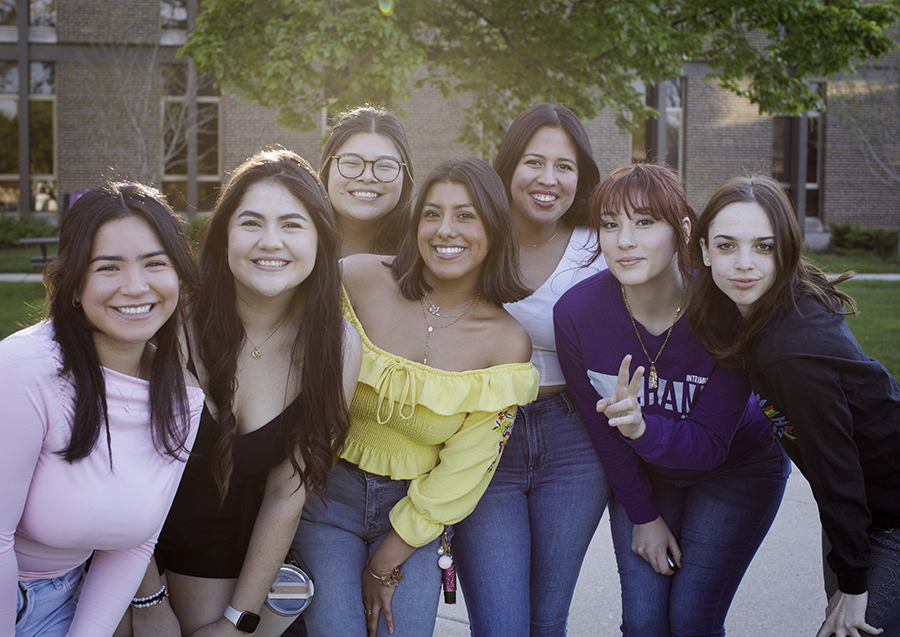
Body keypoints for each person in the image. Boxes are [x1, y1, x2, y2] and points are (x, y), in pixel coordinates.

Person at [291, 157, 540, 637]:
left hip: (414, 516)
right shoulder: (356, 279)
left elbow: (465, 470)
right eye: (432, 213)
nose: (446, 230)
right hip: (325, 499)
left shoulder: (505, 343)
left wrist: (387, 560)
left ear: (494, 227)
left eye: (466, 215)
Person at [127, 149, 361, 637]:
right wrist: (147, 600)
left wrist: (238, 622)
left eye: (292, 225)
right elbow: (118, 479)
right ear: (225, 237)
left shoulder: (335, 348)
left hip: (236, 551)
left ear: (320, 240)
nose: (270, 242)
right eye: (251, 222)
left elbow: (285, 494)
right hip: (130, 547)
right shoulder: (170, 325)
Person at [554, 163, 790, 637]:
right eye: (610, 224)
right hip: (645, 472)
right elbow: (604, 433)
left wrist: (641, 427)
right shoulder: (577, 314)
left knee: (691, 621)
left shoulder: (725, 310)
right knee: (643, 623)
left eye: (644, 222)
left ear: (683, 230)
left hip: (736, 469)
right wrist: (643, 515)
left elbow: (707, 446)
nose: (624, 240)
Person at [689, 174, 900, 637]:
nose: (744, 264)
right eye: (726, 246)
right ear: (704, 250)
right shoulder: (773, 306)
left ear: (785, 250)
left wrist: (854, 581)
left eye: (764, 247)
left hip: (888, 515)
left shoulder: (789, 350)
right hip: (863, 512)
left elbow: (834, 465)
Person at [0, 182, 204, 637]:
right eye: (108, 268)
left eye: (155, 264)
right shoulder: (23, 370)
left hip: (63, 598)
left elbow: (135, 542)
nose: (136, 287)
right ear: (73, 286)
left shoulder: (182, 400)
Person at [451, 103, 609, 637]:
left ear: (581, 177)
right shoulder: (474, 241)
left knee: (546, 621)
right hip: (484, 438)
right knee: (499, 625)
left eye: (564, 166)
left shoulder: (602, 248)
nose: (548, 179)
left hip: (574, 442)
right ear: (509, 167)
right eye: (533, 162)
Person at [319, 105, 414, 257]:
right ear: (327, 169)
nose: (367, 177)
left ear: (405, 177)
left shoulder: (423, 257)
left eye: (385, 165)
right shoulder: (291, 245)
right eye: (351, 162)